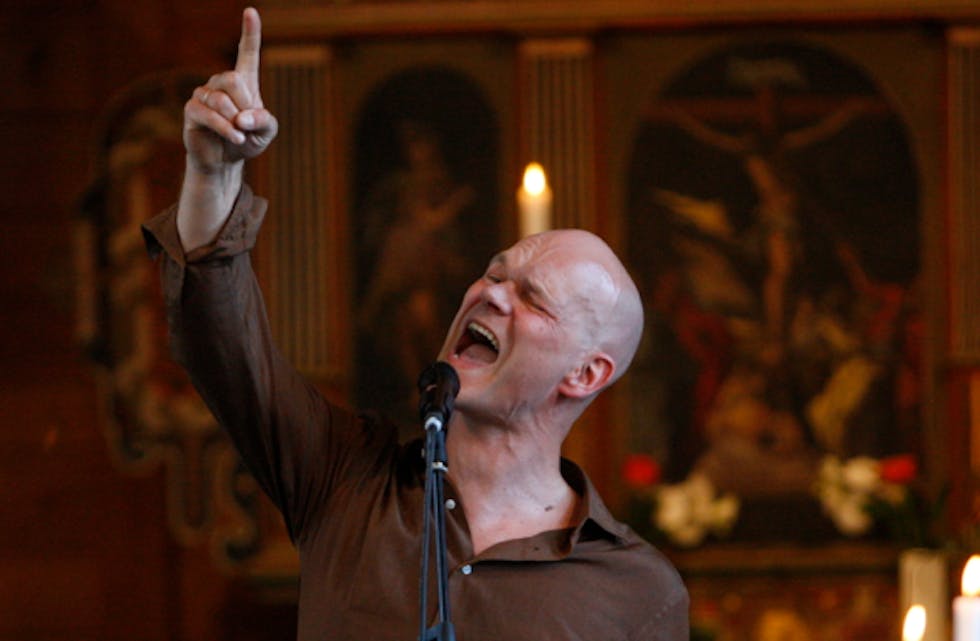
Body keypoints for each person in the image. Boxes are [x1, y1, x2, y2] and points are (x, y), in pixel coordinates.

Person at [143, 8, 688, 640]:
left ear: (586, 372)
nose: (491, 295)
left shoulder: (636, 593)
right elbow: (226, 349)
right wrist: (213, 174)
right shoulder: (344, 479)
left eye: (532, 299)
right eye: (493, 273)